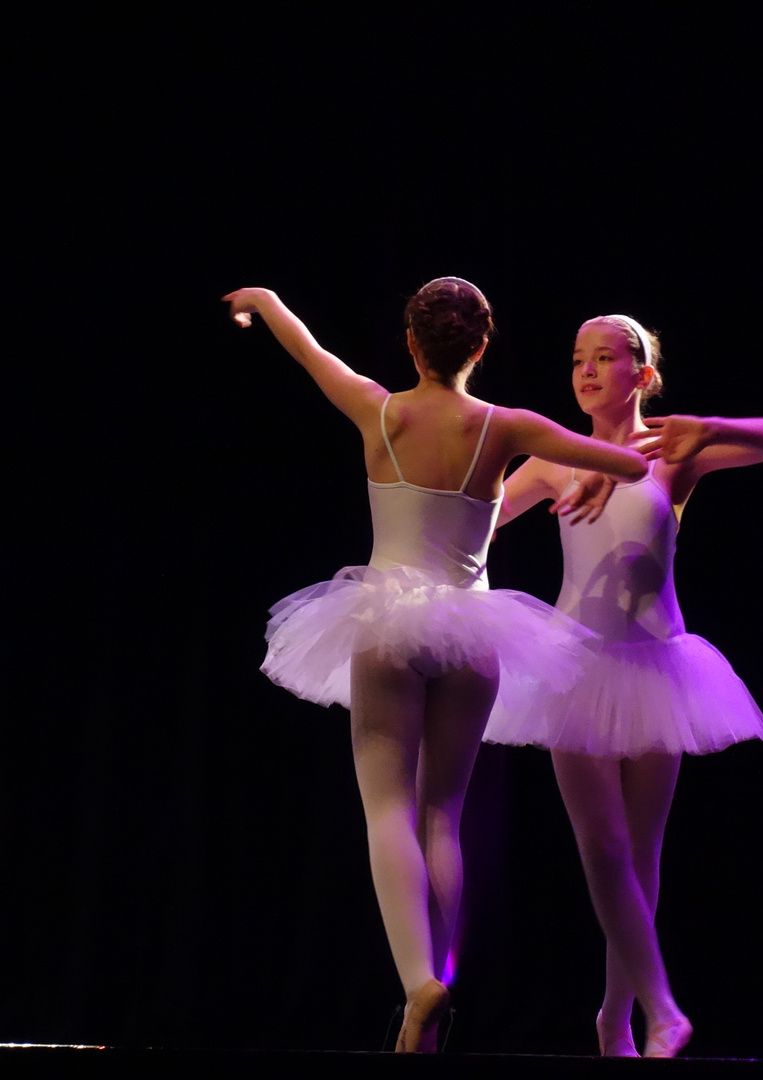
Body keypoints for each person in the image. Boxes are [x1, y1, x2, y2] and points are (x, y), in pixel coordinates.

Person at [223, 280, 647, 1053]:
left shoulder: (376, 408)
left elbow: (307, 351)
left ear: (411, 345)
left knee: (385, 803)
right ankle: (441, 979)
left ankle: (420, 981)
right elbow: (631, 464)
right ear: (481, 347)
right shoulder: (506, 424)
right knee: (441, 813)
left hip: (385, 619)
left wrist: (265, 301)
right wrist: (590, 469)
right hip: (471, 631)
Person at [483, 314, 763, 1057]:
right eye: (577, 359)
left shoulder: (672, 452)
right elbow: (482, 518)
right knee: (602, 843)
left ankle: (613, 1017)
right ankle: (661, 1009)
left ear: (642, 374)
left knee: (643, 850)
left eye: (606, 358)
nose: (588, 371)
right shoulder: (555, 460)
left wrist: (709, 424)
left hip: (659, 666)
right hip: (574, 666)